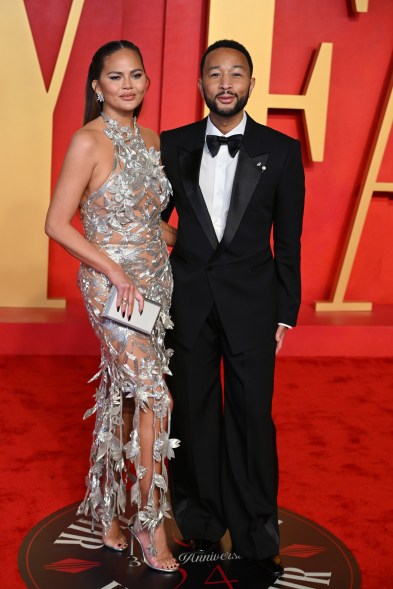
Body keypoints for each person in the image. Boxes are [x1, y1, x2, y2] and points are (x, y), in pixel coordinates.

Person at [160, 39, 305, 578]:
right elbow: (152, 220)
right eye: (215, 74)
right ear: (199, 84)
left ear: (250, 83)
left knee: (251, 419)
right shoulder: (171, 146)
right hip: (188, 303)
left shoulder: (282, 151)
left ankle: (254, 531)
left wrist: (284, 313)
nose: (225, 83)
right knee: (193, 419)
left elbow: (288, 243)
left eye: (235, 74)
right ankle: (199, 523)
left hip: (253, 309)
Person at [45, 40, 180, 573]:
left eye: (137, 75)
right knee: (155, 397)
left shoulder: (150, 139)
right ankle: (150, 522)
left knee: (123, 396)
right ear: (96, 86)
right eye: (115, 77)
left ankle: (108, 511)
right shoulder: (87, 141)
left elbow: (146, 220)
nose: (128, 85)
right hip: (114, 287)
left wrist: (185, 243)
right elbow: (57, 223)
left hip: (155, 286)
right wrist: (114, 269)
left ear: (146, 83)